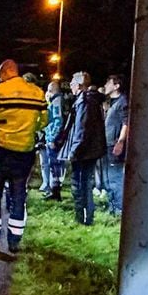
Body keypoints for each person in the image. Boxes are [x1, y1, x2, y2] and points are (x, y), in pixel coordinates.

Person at [0, 59, 48, 253]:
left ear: (5, 73)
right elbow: (43, 121)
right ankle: (14, 241)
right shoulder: (37, 92)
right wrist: (26, 130)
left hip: (1, 151)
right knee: (19, 195)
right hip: (24, 153)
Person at [53, 71, 107, 225]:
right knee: (84, 184)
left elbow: (81, 129)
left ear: (78, 84)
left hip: (84, 152)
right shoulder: (91, 99)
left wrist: (73, 151)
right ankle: (84, 217)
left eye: (71, 82)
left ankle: (82, 219)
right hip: (89, 150)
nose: (69, 85)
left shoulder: (85, 101)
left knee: (80, 185)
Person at [101, 74, 129, 216]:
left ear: (116, 86)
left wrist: (121, 141)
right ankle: (112, 205)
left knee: (115, 177)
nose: (106, 86)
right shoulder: (109, 102)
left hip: (114, 145)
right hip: (106, 143)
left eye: (109, 83)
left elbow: (126, 123)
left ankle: (119, 208)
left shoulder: (122, 102)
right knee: (108, 178)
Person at [39, 79, 65, 200]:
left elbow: (57, 121)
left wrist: (52, 138)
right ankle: (54, 190)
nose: (47, 93)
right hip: (51, 137)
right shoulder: (55, 101)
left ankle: (56, 192)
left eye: (49, 90)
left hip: (53, 139)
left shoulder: (56, 101)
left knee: (55, 165)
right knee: (53, 165)